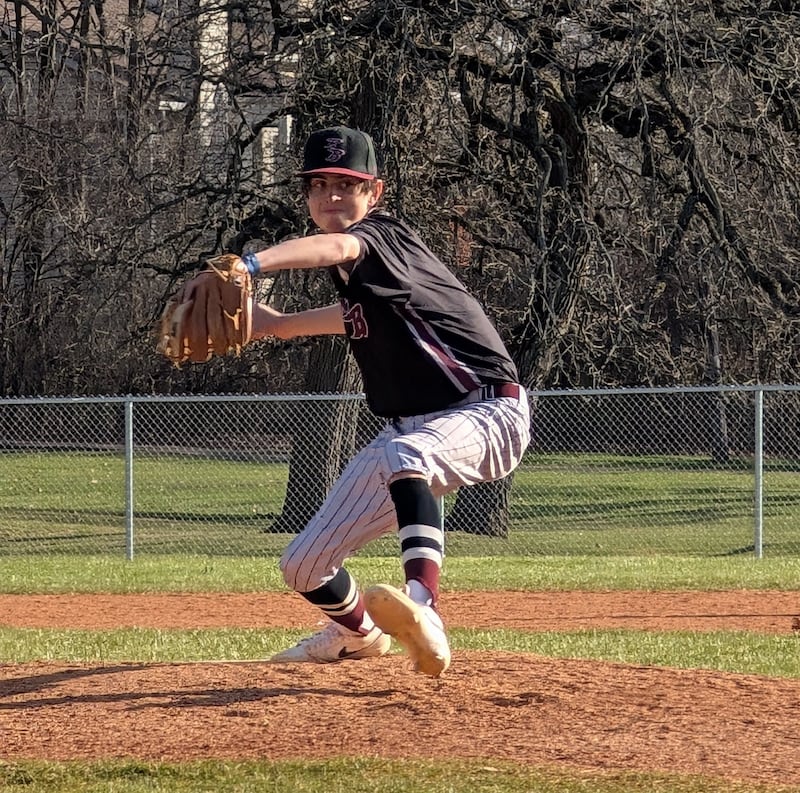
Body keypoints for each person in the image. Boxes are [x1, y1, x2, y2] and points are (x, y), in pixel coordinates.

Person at [239, 125, 530, 677]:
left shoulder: (384, 237)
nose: (330, 197)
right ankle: (360, 638)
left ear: (375, 193)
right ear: (306, 197)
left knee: (406, 457)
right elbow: (352, 321)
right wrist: (274, 326)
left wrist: (253, 264)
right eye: (318, 185)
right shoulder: (374, 287)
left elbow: (340, 244)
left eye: (346, 185)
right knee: (303, 564)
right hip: (411, 429)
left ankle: (424, 606)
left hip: (488, 409)